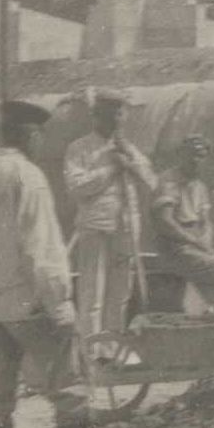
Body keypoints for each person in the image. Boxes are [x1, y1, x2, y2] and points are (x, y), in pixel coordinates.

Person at [0, 100, 131, 428]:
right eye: (40, 135)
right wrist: (60, 306)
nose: (42, 142)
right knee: (71, 388)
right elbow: (44, 251)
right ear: (29, 134)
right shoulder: (29, 177)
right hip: (29, 302)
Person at [63, 89, 158, 348]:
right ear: (96, 117)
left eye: (119, 114)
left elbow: (152, 183)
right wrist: (111, 168)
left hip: (125, 227)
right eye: (109, 115)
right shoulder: (80, 148)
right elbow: (76, 187)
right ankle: (90, 355)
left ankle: (112, 351)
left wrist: (130, 162)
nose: (116, 120)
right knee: (92, 293)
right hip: (95, 227)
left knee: (120, 294)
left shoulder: (129, 149)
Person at [148, 135, 214, 315]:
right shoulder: (169, 181)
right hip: (174, 247)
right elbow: (164, 222)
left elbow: (205, 221)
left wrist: (206, 243)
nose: (196, 160)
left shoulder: (199, 186)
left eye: (201, 156)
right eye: (191, 154)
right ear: (181, 155)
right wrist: (194, 242)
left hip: (192, 246)